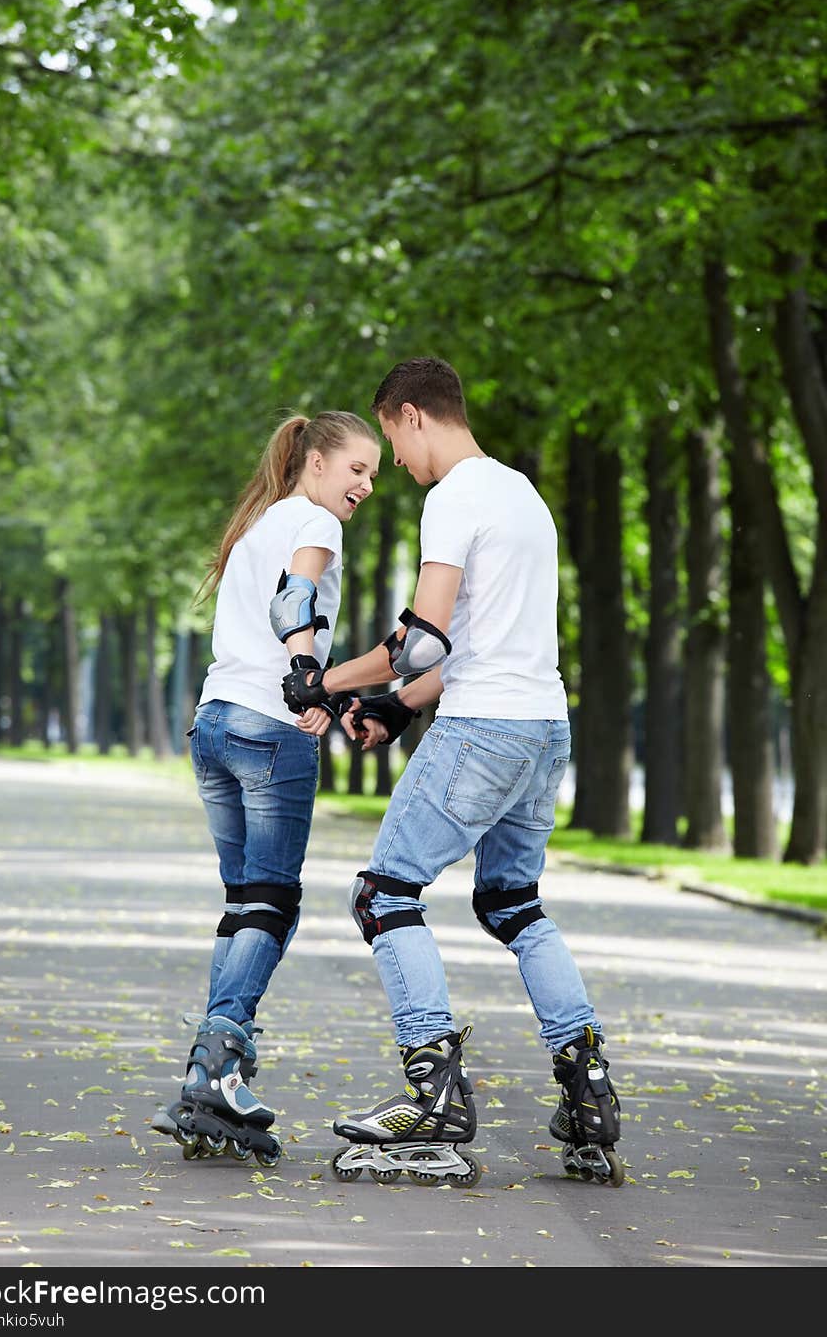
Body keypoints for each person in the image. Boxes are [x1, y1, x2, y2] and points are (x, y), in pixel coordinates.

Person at [283, 358, 623, 1187]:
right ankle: (589, 1091)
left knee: (383, 894)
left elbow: (422, 640)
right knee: (514, 904)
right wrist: (400, 708)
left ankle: (434, 1092)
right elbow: (472, 647)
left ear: (411, 415)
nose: (395, 464)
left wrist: (324, 680)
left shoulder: (455, 496)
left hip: (485, 728)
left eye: (392, 442)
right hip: (544, 726)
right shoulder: (524, 496)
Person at [152, 410, 380, 1166]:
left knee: (245, 906)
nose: (367, 485)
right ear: (316, 462)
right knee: (272, 902)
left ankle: (220, 1070)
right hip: (268, 728)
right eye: (357, 468)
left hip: (214, 722)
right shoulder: (316, 522)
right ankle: (214, 1063)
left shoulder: (258, 520)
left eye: (374, 474)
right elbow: (297, 596)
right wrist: (306, 676)